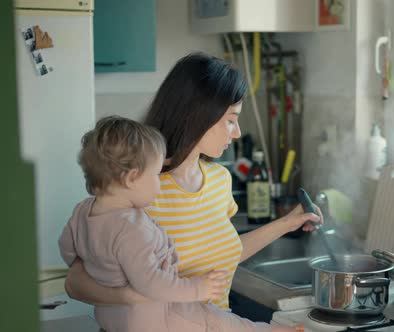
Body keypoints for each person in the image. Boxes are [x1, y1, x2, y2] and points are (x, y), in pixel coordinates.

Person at [64, 53, 321, 322]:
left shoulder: (220, 180)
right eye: (231, 120)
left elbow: (220, 252)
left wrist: (286, 224)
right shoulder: (140, 189)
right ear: (198, 116)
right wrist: (140, 295)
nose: (236, 133)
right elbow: (75, 283)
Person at [59, 116, 301, 331]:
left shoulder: (83, 211)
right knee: (214, 320)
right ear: (132, 178)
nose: (159, 180)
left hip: (111, 319)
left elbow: (68, 249)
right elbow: (150, 283)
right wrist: (198, 289)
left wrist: (287, 223)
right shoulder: (133, 226)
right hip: (155, 318)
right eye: (155, 174)